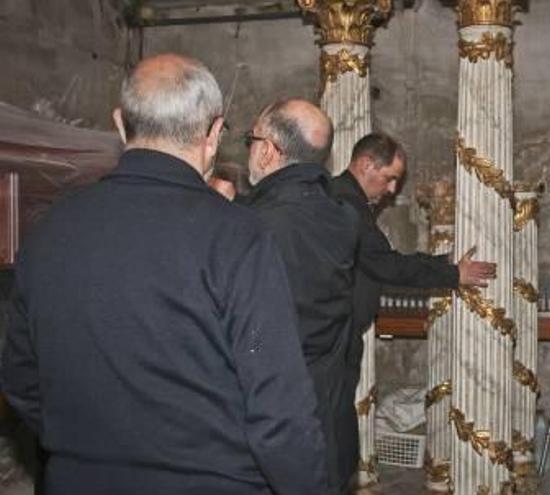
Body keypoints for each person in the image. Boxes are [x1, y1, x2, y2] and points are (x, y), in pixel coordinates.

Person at [0, 54, 328, 495]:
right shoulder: (237, 236)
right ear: (213, 134)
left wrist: (88, 448)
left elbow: (21, 377)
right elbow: (279, 413)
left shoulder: (48, 232)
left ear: (120, 124)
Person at [329, 132, 497, 483]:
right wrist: (453, 273)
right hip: (334, 336)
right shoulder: (345, 203)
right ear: (365, 165)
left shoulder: (344, 199)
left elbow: (380, 261)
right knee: (336, 440)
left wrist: (444, 264)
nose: (391, 190)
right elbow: (386, 265)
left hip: (338, 332)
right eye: (389, 178)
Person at [238, 98, 359, 494]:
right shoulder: (344, 217)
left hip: (274, 439)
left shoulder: (253, 225)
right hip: (329, 423)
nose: (249, 150)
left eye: (250, 139)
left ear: (269, 149)